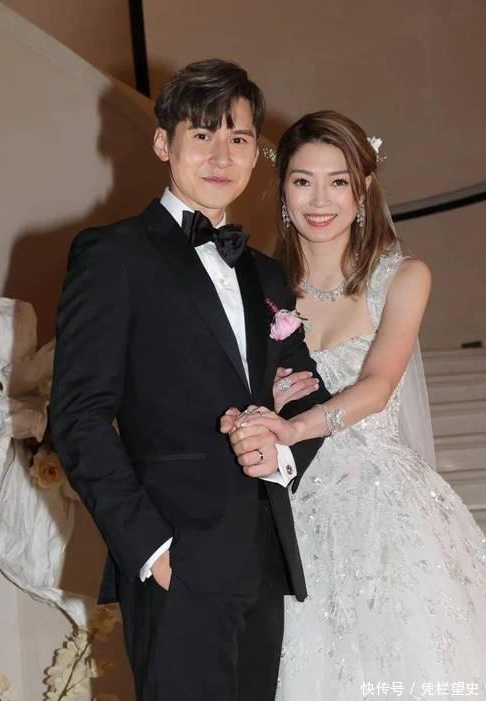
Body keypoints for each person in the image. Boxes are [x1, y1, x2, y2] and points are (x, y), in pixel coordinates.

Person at [49, 60, 331, 701]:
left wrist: (283, 452)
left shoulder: (268, 274)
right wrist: (150, 548)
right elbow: (79, 415)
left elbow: (307, 394)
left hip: (264, 555)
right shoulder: (112, 255)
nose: (220, 156)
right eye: (202, 134)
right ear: (162, 142)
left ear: (255, 152)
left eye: (237, 138)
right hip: (176, 555)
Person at [227, 111, 486, 698]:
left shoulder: (403, 277)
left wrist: (296, 426)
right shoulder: (255, 286)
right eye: (303, 181)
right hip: (288, 505)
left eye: (338, 181)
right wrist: (264, 403)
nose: (320, 200)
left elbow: (377, 383)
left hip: (380, 505)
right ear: (282, 190)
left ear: (362, 190)